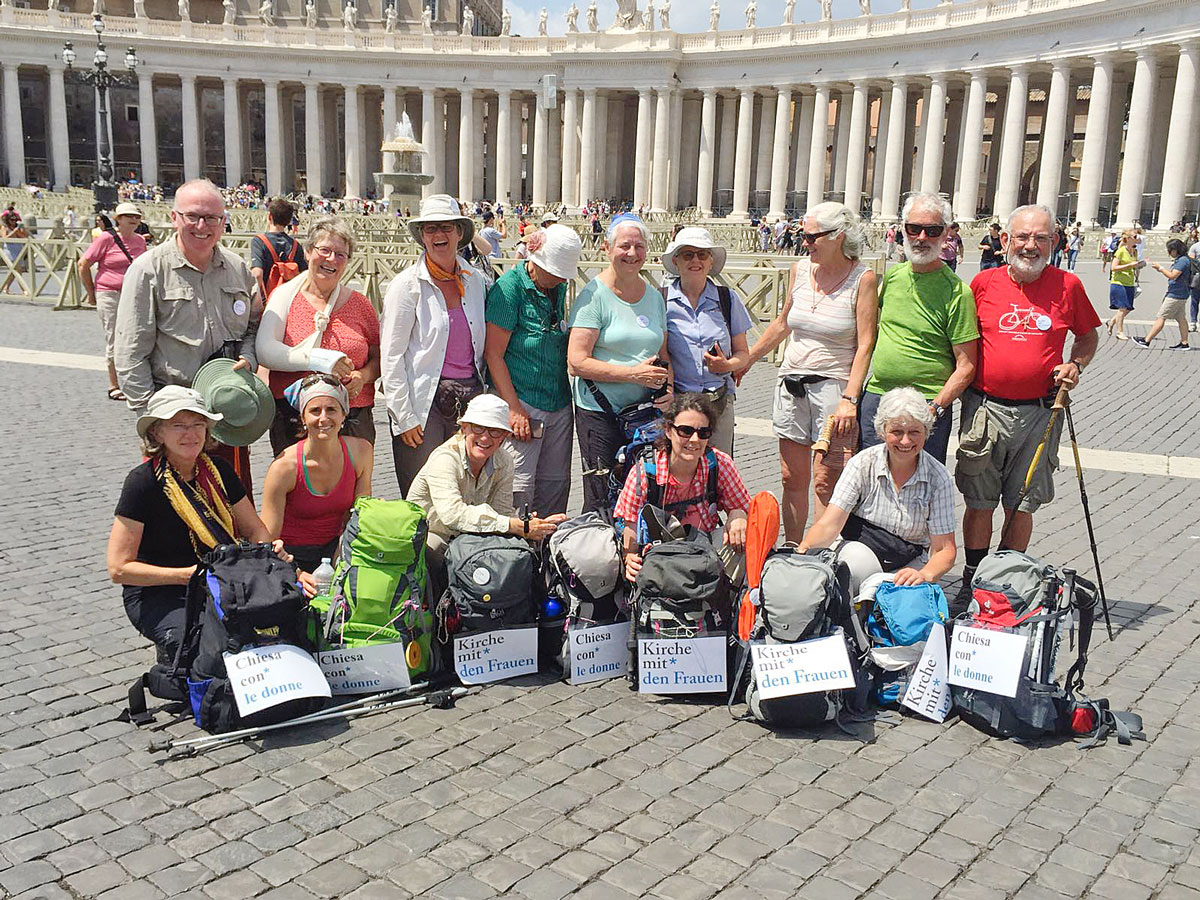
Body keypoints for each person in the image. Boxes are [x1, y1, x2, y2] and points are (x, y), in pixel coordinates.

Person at [955, 204, 1100, 606]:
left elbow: (1087, 338)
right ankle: (973, 574)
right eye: (1022, 237)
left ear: (1054, 242)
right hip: (984, 409)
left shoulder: (1068, 285)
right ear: (1005, 240)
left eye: (1040, 238)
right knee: (979, 499)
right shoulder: (982, 284)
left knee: (1023, 500)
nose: (1030, 245)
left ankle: (1008, 576)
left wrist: (1075, 365)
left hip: (1041, 412)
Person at [106, 386, 308, 664]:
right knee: (203, 643)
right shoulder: (143, 483)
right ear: (157, 433)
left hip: (222, 580)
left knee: (278, 624)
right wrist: (187, 575)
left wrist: (268, 556)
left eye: (198, 424)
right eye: (178, 425)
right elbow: (119, 569)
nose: (190, 434)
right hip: (160, 591)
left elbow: (255, 529)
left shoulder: (220, 471)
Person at [741, 203, 879, 543]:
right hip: (790, 382)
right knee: (791, 477)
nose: (805, 243)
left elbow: (865, 344)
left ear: (838, 236)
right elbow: (783, 323)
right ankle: (792, 547)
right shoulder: (800, 270)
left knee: (825, 478)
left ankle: (820, 552)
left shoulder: (864, 278)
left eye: (812, 236)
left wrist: (850, 397)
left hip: (833, 389)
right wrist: (745, 360)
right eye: (803, 236)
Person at [114, 179, 260, 494]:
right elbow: (129, 353)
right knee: (174, 518)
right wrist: (153, 420)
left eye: (211, 218)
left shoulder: (236, 268)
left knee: (232, 507)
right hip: (174, 418)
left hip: (225, 415)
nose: (201, 225)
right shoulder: (148, 271)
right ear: (174, 217)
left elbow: (252, 326)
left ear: (223, 222)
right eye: (192, 216)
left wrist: (249, 355)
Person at [859, 192, 978, 464]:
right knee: (869, 486)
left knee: (920, 490)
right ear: (903, 230)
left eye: (932, 230)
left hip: (925, 404)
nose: (921, 237)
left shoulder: (957, 292)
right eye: (914, 228)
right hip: (878, 397)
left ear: (946, 233)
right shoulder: (892, 276)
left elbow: (967, 365)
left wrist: (935, 407)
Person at [798, 387, 957, 592]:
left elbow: (945, 549)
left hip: (910, 563)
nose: (906, 441)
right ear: (882, 431)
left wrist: (924, 575)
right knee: (853, 567)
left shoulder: (939, 477)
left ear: (926, 432)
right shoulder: (862, 463)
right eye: (897, 432)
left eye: (914, 432)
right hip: (860, 552)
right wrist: (802, 553)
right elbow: (830, 524)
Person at [381, 194, 487, 496]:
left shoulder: (476, 280)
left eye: (446, 228)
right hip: (423, 404)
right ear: (422, 237)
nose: (439, 235)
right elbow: (392, 356)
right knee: (421, 494)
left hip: (468, 400)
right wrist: (403, 417)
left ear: (459, 233)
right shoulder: (406, 285)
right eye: (430, 229)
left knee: (464, 491)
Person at [567, 214, 673, 512]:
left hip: (645, 415)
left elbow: (664, 354)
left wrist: (670, 393)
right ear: (607, 248)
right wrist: (632, 375)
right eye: (624, 246)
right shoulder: (593, 296)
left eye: (639, 246)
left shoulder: (654, 297)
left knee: (645, 491)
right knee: (602, 495)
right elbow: (575, 362)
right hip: (600, 413)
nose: (632, 253)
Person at [407, 395, 566, 589]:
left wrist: (531, 526)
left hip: (469, 537)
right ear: (464, 428)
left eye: (495, 431)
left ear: (504, 437)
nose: (485, 437)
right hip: (432, 533)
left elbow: (502, 512)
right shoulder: (444, 459)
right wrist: (514, 525)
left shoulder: (505, 461)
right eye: (478, 428)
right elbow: (453, 515)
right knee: (433, 552)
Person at [256, 216, 380, 456]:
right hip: (294, 416)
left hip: (352, 416)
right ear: (308, 251)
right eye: (324, 250)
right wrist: (320, 359)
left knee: (353, 491)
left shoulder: (361, 305)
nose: (331, 259)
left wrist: (362, 376)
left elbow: (379, 358)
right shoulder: (284, 298)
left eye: (341, 254)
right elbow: (265, 352)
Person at [484, 225, 582, 516]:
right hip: (522, 400)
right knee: (518, 487)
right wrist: (513, 409)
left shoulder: (558, 286)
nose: (562, 278)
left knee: (555, 485)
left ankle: (547, 552)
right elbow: (493, 355)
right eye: (556, 271)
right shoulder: (509, 289)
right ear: (536, 262)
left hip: (558, 401)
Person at [614, 394, 751, 582]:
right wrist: (629, 556)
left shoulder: (719, 463)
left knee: (749, 538)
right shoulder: (645, 472)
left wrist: (739, 514)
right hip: (659, 557)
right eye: (686, 431)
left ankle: (731, 604)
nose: (694, 440)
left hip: (706, 551)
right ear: (669, 431)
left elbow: (747, 509)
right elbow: (629, 525)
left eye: (703, 433)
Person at [259, 376, 373, 574]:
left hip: (338, 550)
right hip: (291, 556)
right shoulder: (284, 467)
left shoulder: (361, 451)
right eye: (314, 411)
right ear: (303, 418)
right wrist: (297, 574)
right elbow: (267, 540)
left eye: (331, 409)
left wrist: (341, 560)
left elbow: (361, 517)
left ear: (343, 414)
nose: (323, 418)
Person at [660, 226, 753, 456]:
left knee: (719, 473)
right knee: (681, 471)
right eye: (688, 254)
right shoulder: (660, 300)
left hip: (719, 401)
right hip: (679, 402)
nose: (695, 261)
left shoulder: (727, 299)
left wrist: (727, 366)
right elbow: (661, 353)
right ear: (676, 261)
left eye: (702, 254)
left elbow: (743, 353)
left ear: (711, 261)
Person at [79, 201, 148, 403]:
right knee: (114, 338)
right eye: (129, 216)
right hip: (109, 294)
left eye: (137, 216)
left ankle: (134, 381)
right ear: (118, 219)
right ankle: (114, 384)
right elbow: (83, 264)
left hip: (134, 294)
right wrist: (91, 293)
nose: (134, 220)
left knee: (137, 336)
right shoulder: (106, 239)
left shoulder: (140, 241)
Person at [1135, 239, 1193, 350]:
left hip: (1176, 294)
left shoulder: (1182, 261)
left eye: (1170, 250)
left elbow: (1173, 275)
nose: (1169, 252)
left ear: (1175, 250)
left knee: (1161, 317)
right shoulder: (1184, 259)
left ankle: (1146, 340)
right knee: (1181, 318)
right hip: (1181, 293)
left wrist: (1161, 268)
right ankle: (1184, 343)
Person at [250, 197, 307, 302]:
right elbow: (305, 275)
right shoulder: (296, 245)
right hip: (288, 302)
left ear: (269, 216)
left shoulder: (259, 241)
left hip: (268, 301)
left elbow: (257, 274)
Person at [1105, 230, 1142, 341]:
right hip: (1118, 282)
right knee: (1122, 308)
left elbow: (1133, 265)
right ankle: (1119, 332)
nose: (1137, 238)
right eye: (1135, 236)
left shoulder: (1134, 251)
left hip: (1129, 282)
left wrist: (1138, 265)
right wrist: (1130, 265)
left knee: (1128, 308)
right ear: (1129, 238)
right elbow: (1113, 267)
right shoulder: (1121, 251)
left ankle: (1111, 322)